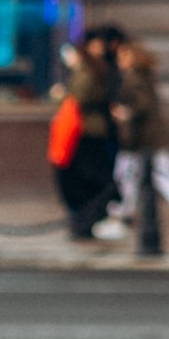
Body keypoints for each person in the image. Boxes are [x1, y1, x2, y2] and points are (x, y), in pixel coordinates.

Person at [96, 37, 169, 242]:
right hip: (143, 140)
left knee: (149, 176)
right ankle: (121, 218)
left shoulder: (135, 77)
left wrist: (125, 113)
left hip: (144, 140)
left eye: (124, 55)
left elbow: (142, 106)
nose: (120, 59)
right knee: (131, 177)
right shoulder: (141, 76)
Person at [54, 29, 121, 239]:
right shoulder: (95, 68)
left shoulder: (88, 70)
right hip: (89, 131)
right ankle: (89, 219)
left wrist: (61, 94)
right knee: (89, 178)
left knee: (88, 178)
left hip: (87, 132)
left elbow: (77, 98)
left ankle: (88, 219)